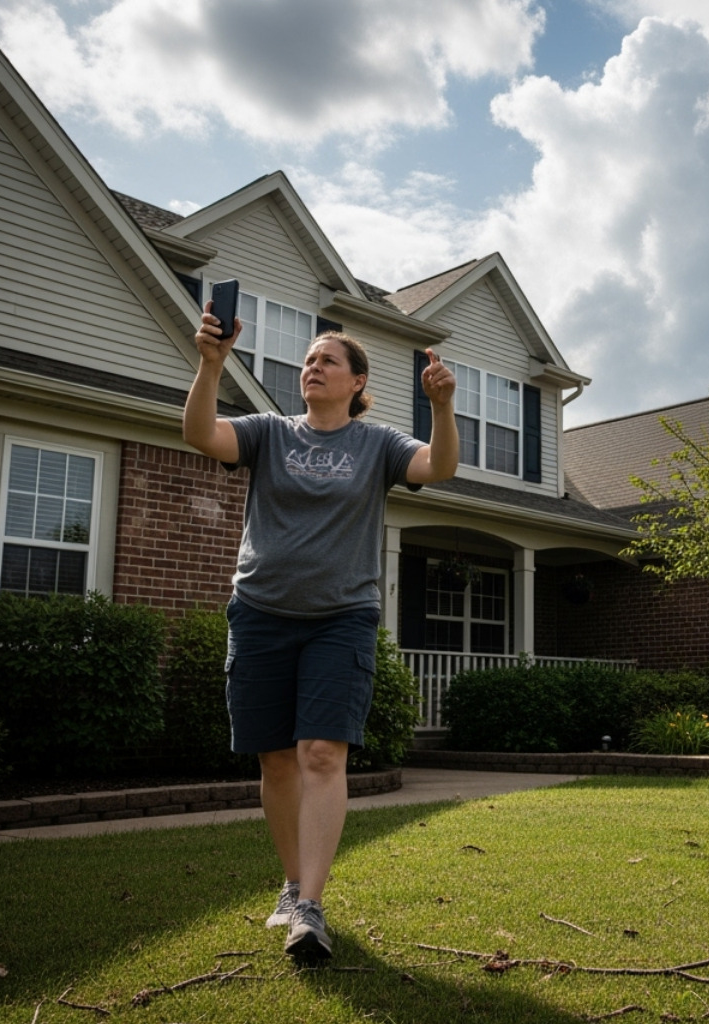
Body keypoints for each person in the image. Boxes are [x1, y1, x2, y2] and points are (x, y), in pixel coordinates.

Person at [182, 298, 457, 960]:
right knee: (276, 757)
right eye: (309, 359)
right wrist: (211, 364)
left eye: (328, 360)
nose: (313, 366)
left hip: (342, 617)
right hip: (260, 613)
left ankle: (310, 907)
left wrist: (443, 409)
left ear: (357, 381)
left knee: (322, 754)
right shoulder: (268, 432)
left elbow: (438, 467)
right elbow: (201, 435)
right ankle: (291, 884)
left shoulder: (377, 443)